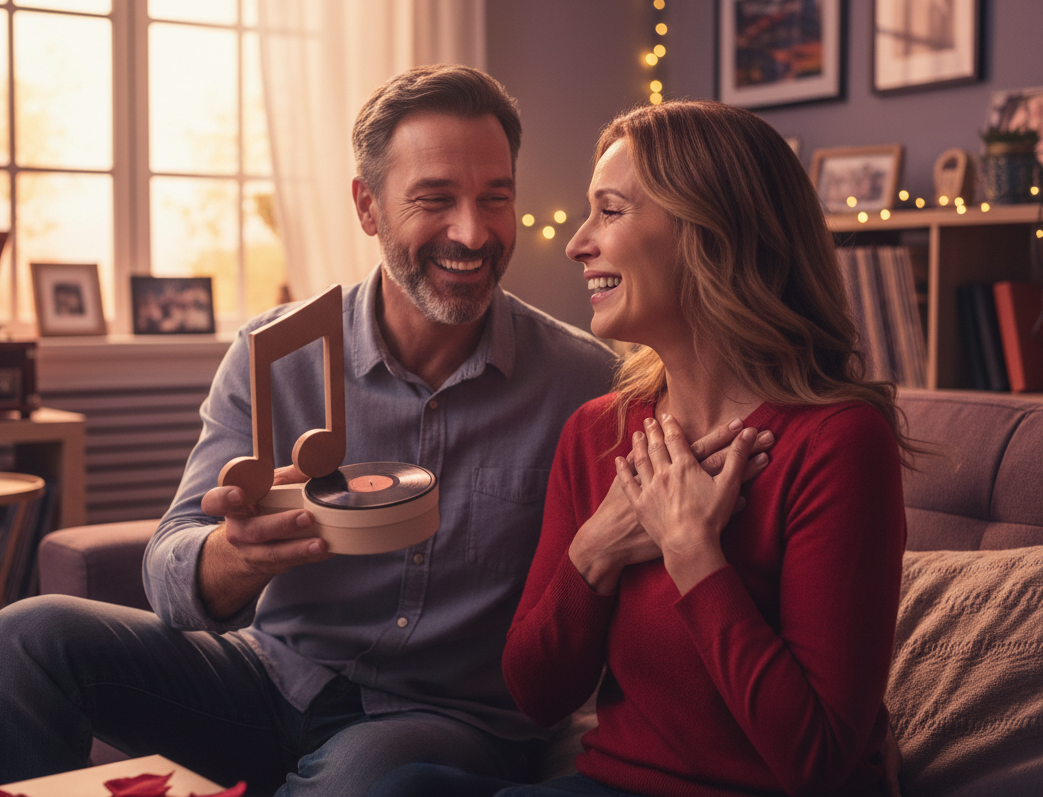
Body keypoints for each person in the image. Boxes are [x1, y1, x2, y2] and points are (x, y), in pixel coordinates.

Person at [0, 68, 767, 797]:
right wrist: (230, 559)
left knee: (366, 780)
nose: (473, 232)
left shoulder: (586, 382)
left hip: (449, 721)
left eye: (495, 196)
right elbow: (169, 571)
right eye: (434, 198)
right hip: (268, 678)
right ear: (366, 206)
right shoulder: (273, 355)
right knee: (27, 637)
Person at [367, 100, 912, 797]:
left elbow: (817, 761)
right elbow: (537, 694)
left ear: (710, 232)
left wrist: (692, 553)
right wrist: (597, 549)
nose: (576, 243)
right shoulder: (597, 432)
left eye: (610, 211)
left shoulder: (837, 441)